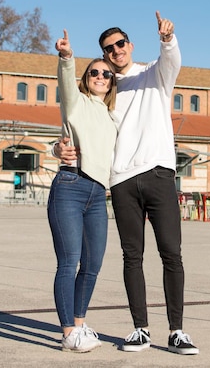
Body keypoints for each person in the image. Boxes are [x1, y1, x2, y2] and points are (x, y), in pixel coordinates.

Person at [55, 12, 199, 355]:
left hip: (159, 173)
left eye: (121, 44)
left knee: (171, 254)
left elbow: (172, 59)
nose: (116, 51)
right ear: (104, 56)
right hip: (121, 181)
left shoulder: (155, 74)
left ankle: (177, 331)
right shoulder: (107, 91)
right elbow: (79, 125)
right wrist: (57, 146)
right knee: (131, 256)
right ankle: (140, 329)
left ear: (130, 46)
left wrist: (167, 39)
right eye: (109, 49)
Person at [47, 30, 118, 353]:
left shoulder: (114, 118)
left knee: (93, 264)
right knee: (69, 262)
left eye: (107, 73)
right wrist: (66, 58)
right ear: (86, 78)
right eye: (94, 72)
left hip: (98, 194)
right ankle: (67, 333)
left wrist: (54, 147)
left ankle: (79, 323)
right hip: (70, 186)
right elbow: (65, 82)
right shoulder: (76, 103)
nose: (101, 76)